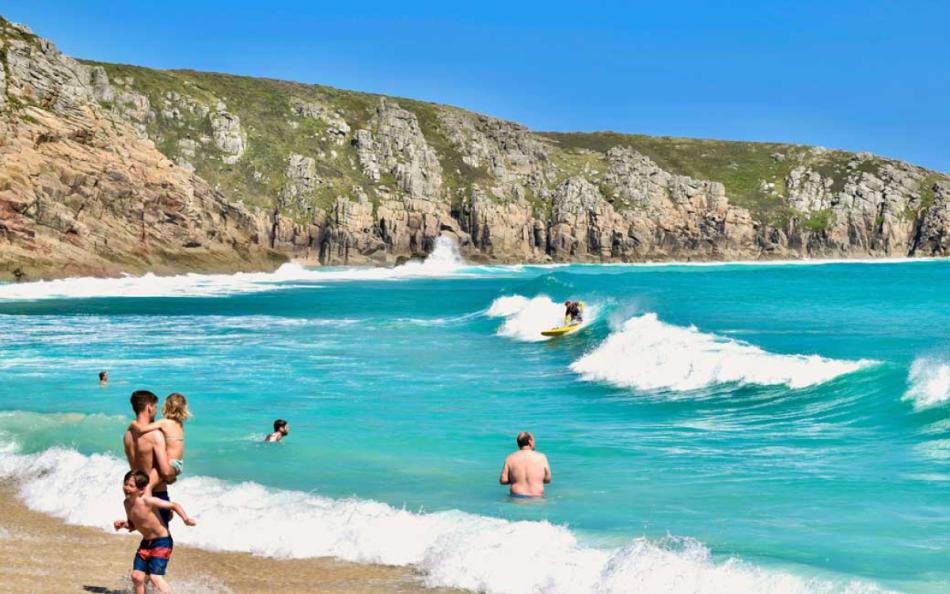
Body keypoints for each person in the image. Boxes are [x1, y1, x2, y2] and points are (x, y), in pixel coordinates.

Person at [114, 469, 196, 594]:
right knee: (137, 577)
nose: (127, 488)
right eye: (125, 484)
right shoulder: (126, 503)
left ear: (141, 490)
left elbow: (174, 505)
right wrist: (123, 525)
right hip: (146, 543)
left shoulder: (148, 501)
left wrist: (185, 519)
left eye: (131, 486)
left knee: (155, 577)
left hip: (162, 542)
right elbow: (133, 525)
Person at [123, 390, 177, 525]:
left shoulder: (128, 435)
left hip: (138, 496)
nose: (156, 411)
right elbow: (164, 471)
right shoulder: (155, 435)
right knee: (161, 538)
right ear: (149, 407)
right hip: (156, 494)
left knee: (150, 537)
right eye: (155, 407)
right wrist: (173, 475)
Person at [129, 393, 190, 478]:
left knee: (148, 485)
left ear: (166, 407)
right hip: (178, 464)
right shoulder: (180, 424)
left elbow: (141, 430)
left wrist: (133, 424)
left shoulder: (163, 422)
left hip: (169, 464)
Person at [499, 431, 552, 498]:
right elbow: (548, 479)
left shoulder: (510, 458)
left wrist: (515, 480)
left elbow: (503, 480)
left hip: (516, 497)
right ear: (530, 441)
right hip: (536, 497)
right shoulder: (541, 457)